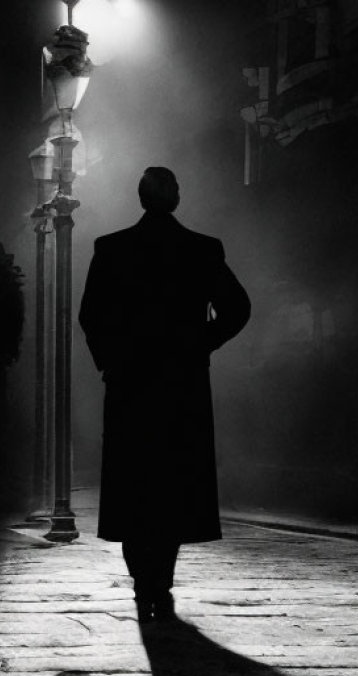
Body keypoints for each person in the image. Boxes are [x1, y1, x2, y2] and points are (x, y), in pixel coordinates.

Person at [79, 166, 250, 623]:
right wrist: (203, 341)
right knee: (175, 482)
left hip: (131, 384)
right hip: (182, 383)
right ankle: (162, 578)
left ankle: (143, 580)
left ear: (140, 198)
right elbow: (238, 307)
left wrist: (112, 360)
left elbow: (90, 315)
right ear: (173, 197)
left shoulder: (112, 249)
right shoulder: (202, 250)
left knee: (134, 481)